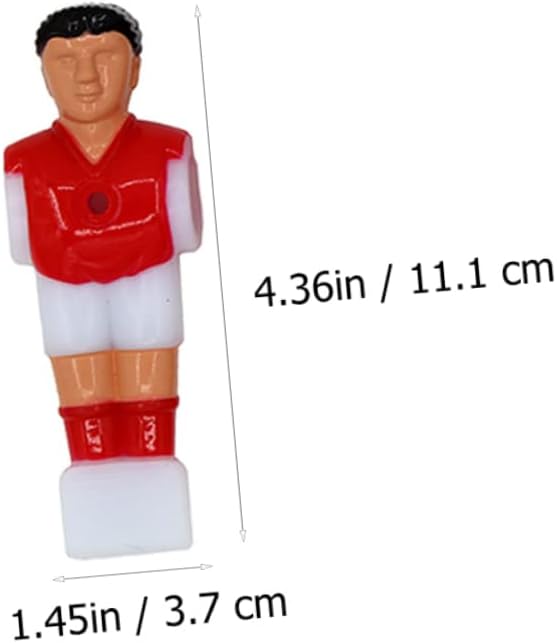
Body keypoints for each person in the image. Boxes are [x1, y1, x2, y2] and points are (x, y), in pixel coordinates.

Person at [4, 4, 202, 558]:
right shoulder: (22, 164)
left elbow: (185, 228)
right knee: (84, 401)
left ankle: (153, 492)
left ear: (135, 68)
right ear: (44, 74)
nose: (87, 77)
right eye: (66, 61)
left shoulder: (168, 150)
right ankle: (99, 497)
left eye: (105, 57)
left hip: (148, 293)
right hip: (67, 298)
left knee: (150, 398)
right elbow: (21, 244)